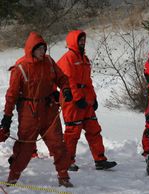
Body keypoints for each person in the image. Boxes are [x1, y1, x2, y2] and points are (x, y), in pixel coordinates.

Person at [0, 32, 74, 187]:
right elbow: (11, 95)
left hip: (49, 109)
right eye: (39, 49)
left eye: (43, 48)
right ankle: (12, 179)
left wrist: (65, 89)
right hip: (29, 112)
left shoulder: (49, 61)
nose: (42, 51)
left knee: (58, 144)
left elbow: (62, 78)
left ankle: (63, 176)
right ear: (31, 49)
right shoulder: (20, 68)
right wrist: (7, 118)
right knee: (25, 148)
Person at [57, 30, 117, 171]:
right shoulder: (68, 58)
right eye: (80, 40)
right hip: (72, 101)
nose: (83, 42)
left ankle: (100, 160)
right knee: (73, 132)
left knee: (94, 130)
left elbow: (88, 81)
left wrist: (93, 98)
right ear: (73, 41)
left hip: (86, 100)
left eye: (84, 40)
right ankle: (67, 161)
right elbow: (68, 81)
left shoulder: (84, 59)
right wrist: (77, 98)